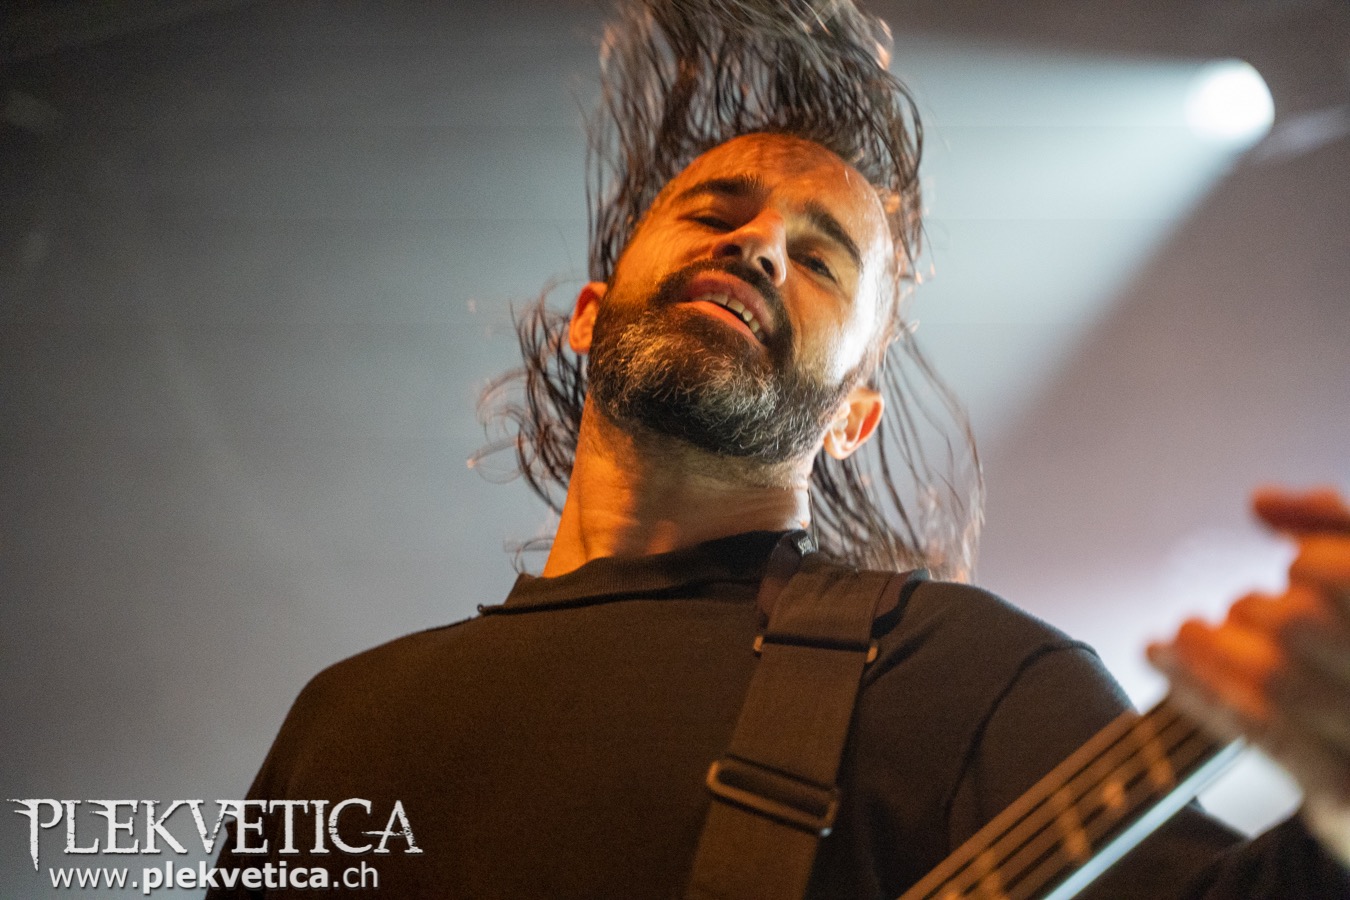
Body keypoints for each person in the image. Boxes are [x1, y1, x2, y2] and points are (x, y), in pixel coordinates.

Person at [208, 1, 1350, 896]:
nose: (757, 244)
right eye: (715, 214)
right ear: (590, 315)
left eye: (819, 259)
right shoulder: (345, 724)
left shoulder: (964, 679)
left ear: (854, 417)